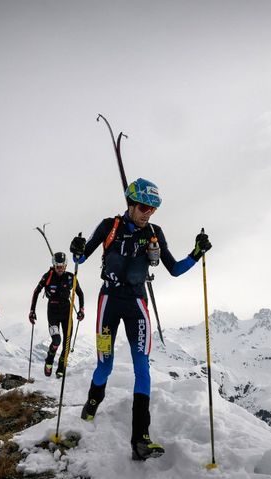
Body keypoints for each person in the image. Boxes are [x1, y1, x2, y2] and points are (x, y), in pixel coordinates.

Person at [69, 178, 212, 461]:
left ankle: (140, 439)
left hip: (137, 304)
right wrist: (76, 248)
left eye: (153, 209)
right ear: (131, 204)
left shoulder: (155, 233)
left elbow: (174, 269)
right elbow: (81, 258)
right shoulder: (109, 225)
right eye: (144, 207)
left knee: (142, 368)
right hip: (108, 301)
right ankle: (92, 402)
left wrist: (197, 254)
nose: (148, 213)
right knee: (105, 364)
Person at [29, 252, 85, 378]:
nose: (60, 269)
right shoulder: (47, 276)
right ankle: (49, 360)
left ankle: (61, 366)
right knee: (56, 340)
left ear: (66, 265)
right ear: (54, 265)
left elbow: (80, 293)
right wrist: (32, 311)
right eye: (58, 266)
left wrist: (81, 310)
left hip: (67, 312)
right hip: (53, 312)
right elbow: (36, 291)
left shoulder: (71, 277)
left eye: (62, 266)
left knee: (67, 343)